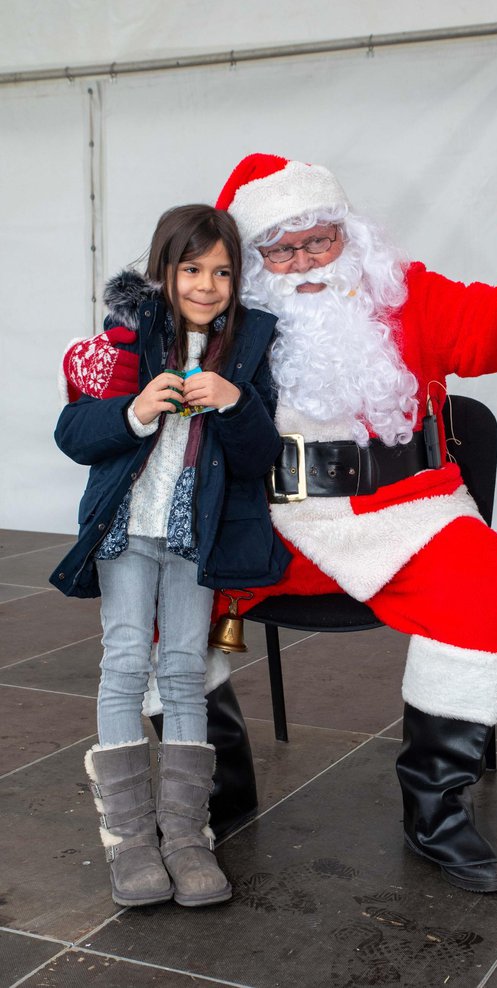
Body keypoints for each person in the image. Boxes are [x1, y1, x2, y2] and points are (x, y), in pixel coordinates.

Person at [61, 138, 497, 894]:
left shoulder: (406, 295)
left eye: (320, 240)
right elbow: (122, 379)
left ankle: (436, 813)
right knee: (153, 601)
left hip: (408, 512)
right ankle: (214, 786)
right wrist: (101, 379)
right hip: (262, 515)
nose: (305, 261)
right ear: (250, 264)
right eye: (281, 248)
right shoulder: (224, 327)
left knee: (484, 577)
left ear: (350, 235)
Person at [50, 204, 289, 908]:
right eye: (192, 269)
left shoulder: (249, 342)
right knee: (126, 663)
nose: (207, 285)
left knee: (184, 672)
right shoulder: (127, 335)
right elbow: (73, 432)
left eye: (222, 271)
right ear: (165, 269)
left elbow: (259, 457)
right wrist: (135, 411)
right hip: (127, 530)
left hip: (195, 535)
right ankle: (129, 840)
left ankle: (186, 837)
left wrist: (235, 402)